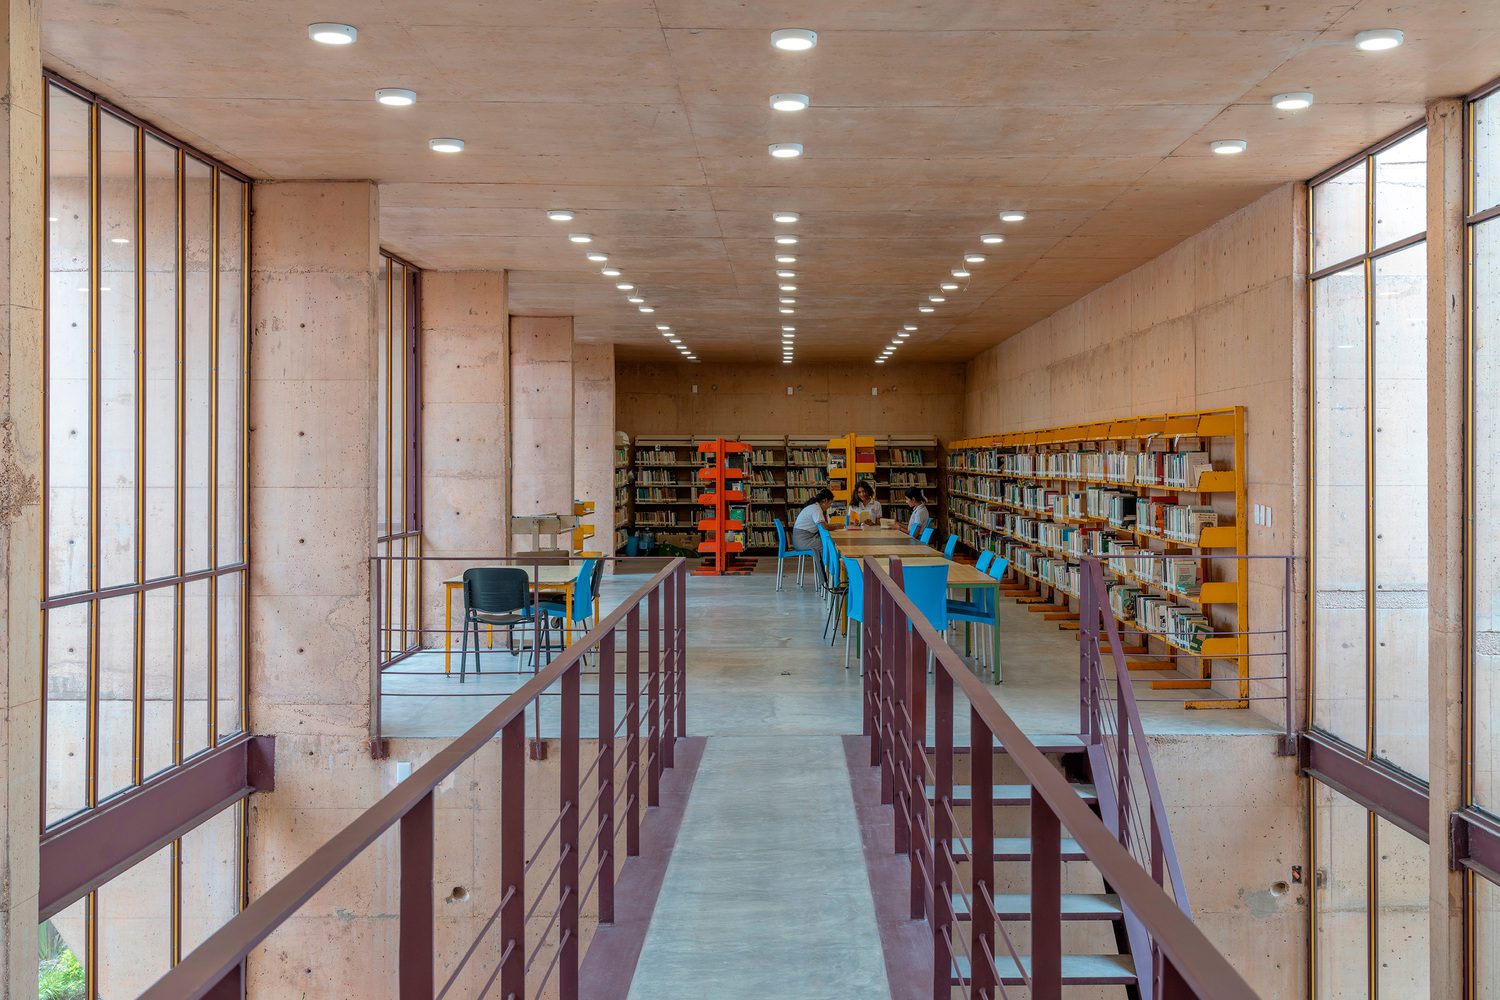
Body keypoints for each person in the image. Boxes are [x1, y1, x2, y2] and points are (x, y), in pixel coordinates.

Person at [793, 487, 836, 589]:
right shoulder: (816, 509)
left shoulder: (814, 507)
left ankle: (828, 577)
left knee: (826, 545)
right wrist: (838, 526)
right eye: (830, 503)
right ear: (825, 501)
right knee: (827, 547)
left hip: (801, 538)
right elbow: (824, 527)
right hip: (802, 540)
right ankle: (827, 579)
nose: (829, 506)